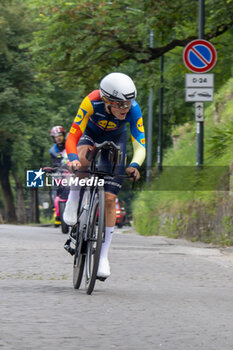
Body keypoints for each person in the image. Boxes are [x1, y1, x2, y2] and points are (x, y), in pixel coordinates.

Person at [64, 72, 146, 278]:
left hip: (116, 140)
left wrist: (135, 165)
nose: (124, 108)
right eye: (119, 104)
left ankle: (102, 256)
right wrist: (72, 158)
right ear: (106, 100)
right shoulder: (91, 101)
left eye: (127, 103)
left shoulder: (133, 109)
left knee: (110, 199)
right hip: (89, 134)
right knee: (82, 159)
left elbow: (140, 143)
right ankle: (74, 198)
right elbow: (73, 135)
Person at [49, 126, 69, 222]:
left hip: (71, 171)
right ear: (53, 138)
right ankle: (55, 208)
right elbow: (54, 163)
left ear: (64, 136)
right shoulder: (52, 150)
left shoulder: (69, 145)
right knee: (54, 182)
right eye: (56, 136)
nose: (58, 138)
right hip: (60, 172)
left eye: (60, 135)